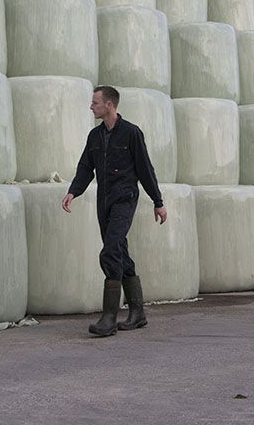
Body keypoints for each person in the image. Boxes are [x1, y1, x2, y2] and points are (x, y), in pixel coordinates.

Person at [62, 85, 167, 337]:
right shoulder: (94, 137)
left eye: (95, 103)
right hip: (104, 200)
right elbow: (85, 167)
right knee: (119, 250)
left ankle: (109, 317)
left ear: (109, 104)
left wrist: (158, 201)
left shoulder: (131, 133)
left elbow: (145, 169)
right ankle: (138, 313)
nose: (91, 107)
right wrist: (73, 191)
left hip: (125, 199)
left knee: (110, 250)